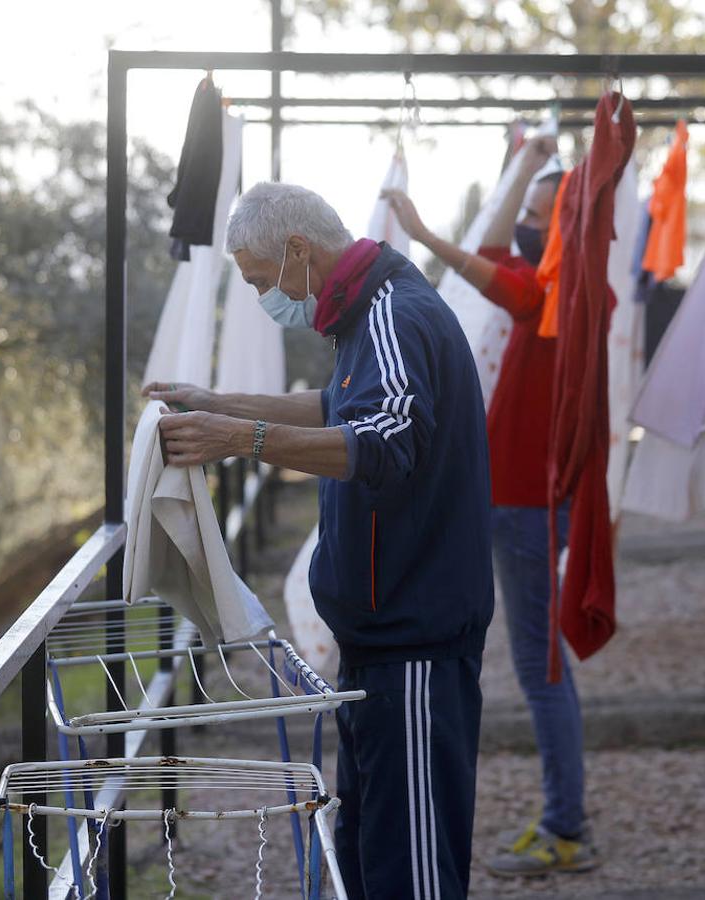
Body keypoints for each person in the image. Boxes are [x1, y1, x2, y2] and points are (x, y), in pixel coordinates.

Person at [142, 180, 494, 899]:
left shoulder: (394, 313)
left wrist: (242, 438)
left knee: (412, 873)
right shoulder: (365, 315)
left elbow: (385, 439)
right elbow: (338, 405)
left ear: (299, 250)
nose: (263, 296)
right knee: (369, 857)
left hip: (414, 645)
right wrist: (222, 403)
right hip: (379, 644)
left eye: (260, 279)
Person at [382, 133, 601, 877]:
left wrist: (420, 237)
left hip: (527, 506)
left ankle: (566, 828)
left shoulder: (565, 291)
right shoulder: (561, 272)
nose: (531, 227)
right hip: (521, 503)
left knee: (543, 671)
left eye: (545, 214)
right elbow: (502, 244)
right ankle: (563, 820)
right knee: (543, 666)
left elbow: (496, 279)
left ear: (566, 222)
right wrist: (525, 168)